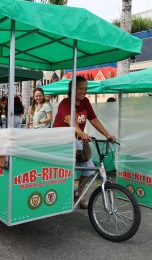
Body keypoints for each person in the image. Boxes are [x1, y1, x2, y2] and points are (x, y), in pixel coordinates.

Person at [53, 76, 115, 210]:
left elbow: (94, 120)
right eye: (80, 88)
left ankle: (79, 196)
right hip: (62, 142)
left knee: (88, 169)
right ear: (72, 89)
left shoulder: (85, 102)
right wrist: (81, 133)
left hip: (76, 142)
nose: (83, 91)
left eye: (85, 89)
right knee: (70, 162)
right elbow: (71, 120)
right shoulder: (65, 103)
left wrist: (107, 134)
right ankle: (62, 190)